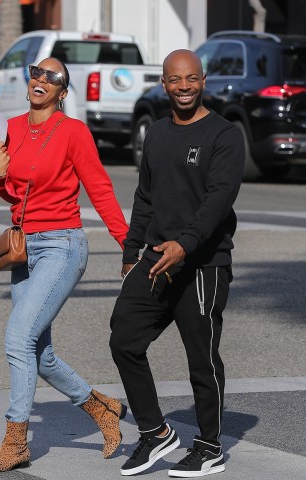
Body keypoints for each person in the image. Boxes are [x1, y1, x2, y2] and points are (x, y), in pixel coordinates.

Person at [0, 57, 129, 473]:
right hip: (26, 248)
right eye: (36, 73)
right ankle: (102, 408)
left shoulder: (74, 132)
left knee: (17, 338)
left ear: (63, 92)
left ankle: (15, 440)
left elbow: (99, 188)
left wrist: (127, 245)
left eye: (53, 77)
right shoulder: (10, 128)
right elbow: (16, 197)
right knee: (38, 354)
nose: (42, 79)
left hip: (63, 246)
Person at [109, 49, 244, 477]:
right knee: (124, 339)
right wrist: (132, 252)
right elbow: (145, 198)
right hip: (154, 259)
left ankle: (209, 446)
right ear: (163, 84)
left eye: (191, 79)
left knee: (201, 357)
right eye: (174, 80)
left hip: (202, 265)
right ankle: (155, 432)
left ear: (203, 80)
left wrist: (184, 246)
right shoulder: (159, 133)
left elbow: (217, 202)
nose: (183, 86)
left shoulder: (224, 135)